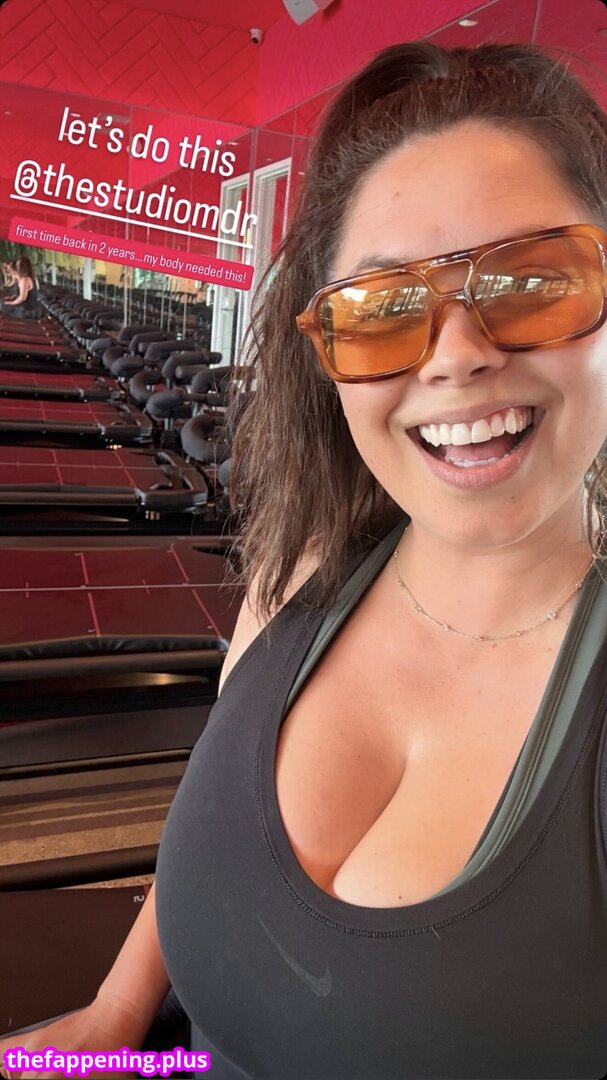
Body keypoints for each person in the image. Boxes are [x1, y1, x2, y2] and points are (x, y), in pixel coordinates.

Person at [2, 37, 607, 1080]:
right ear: (324, 352)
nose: (458, 355)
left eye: (530, 282)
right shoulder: (302, 577)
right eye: (381, 309)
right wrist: (114, 1011)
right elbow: (213, 814)